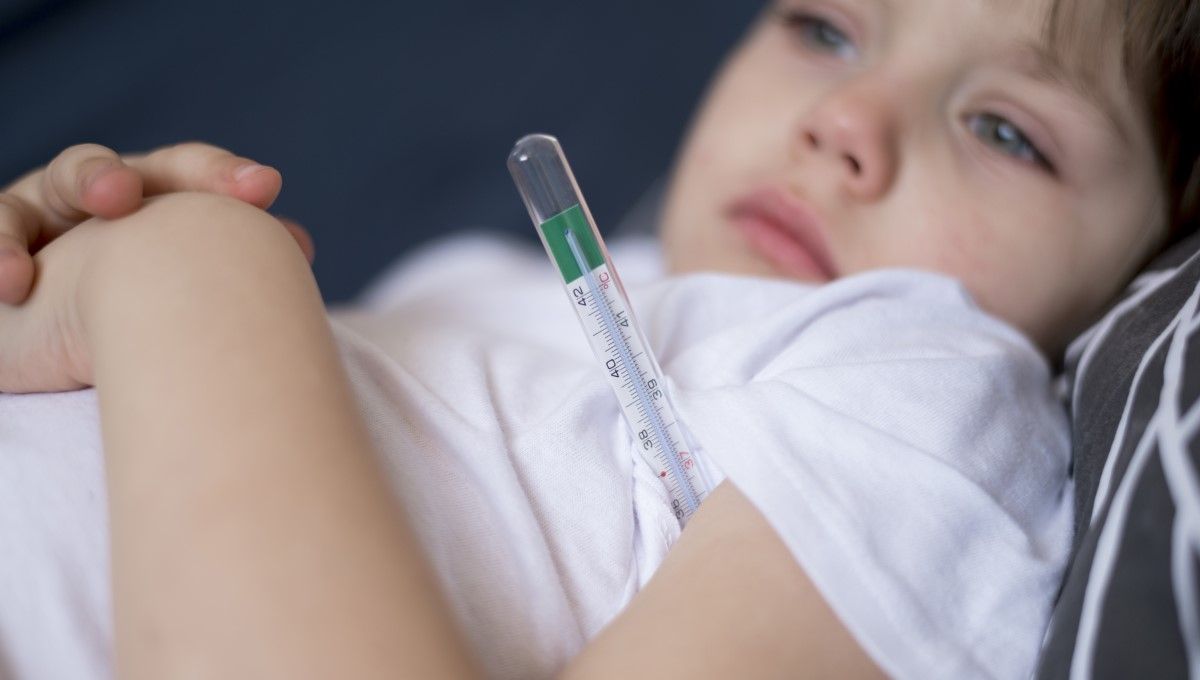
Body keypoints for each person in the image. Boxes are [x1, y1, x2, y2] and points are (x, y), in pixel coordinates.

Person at [0, 0, 1194, 678]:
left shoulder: (927, 402)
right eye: (827, 30)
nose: (845, 120)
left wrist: (191, 278)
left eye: (1005, 130)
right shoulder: (474, 283)